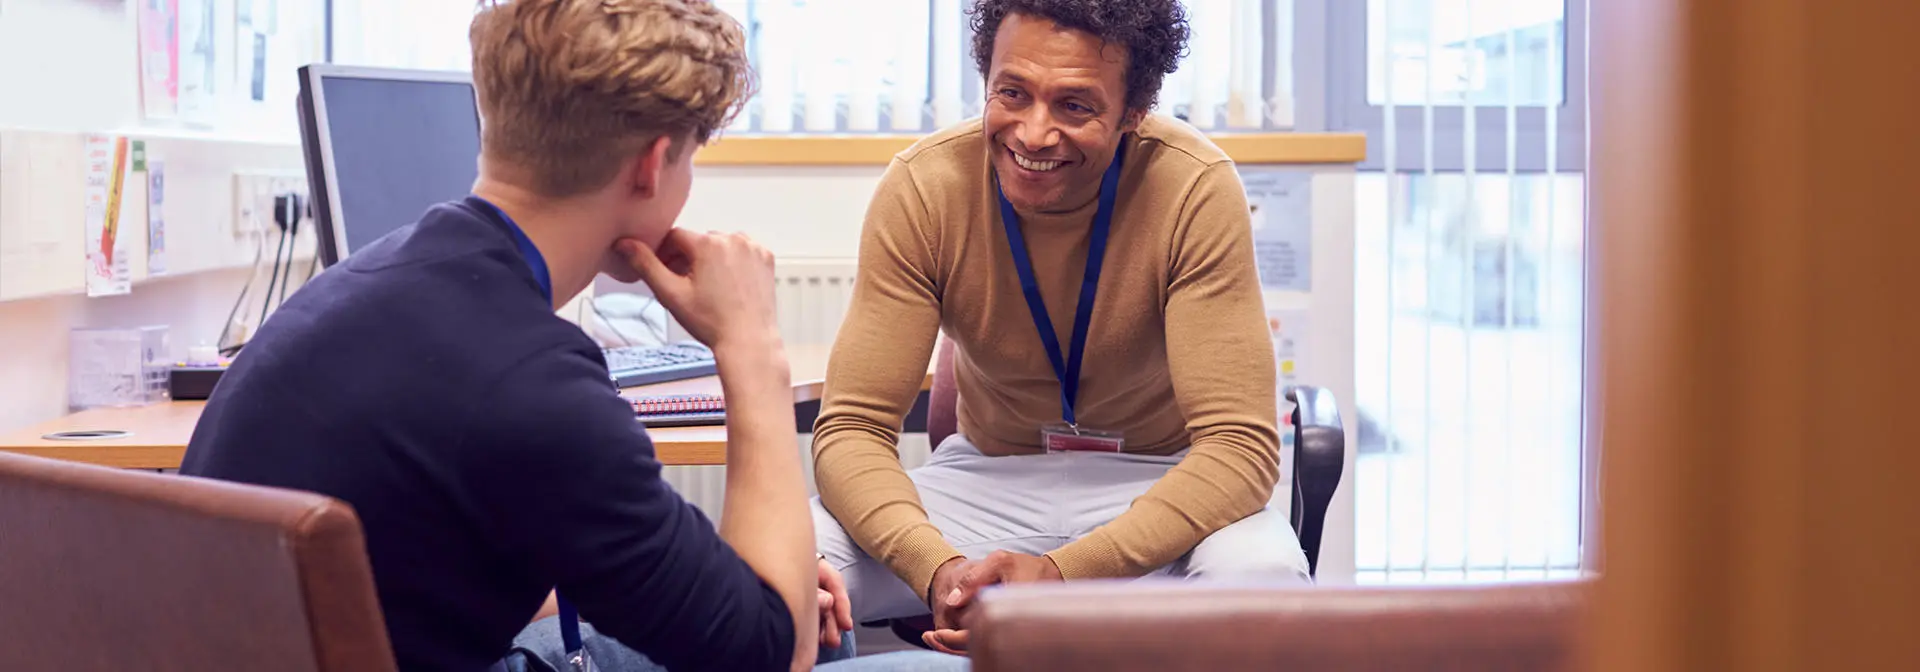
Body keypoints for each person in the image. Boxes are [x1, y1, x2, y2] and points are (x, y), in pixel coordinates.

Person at [180, 1, 964, 670]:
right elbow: (768, 650)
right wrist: (750, 348)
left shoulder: (363, 284)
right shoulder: (533, 385)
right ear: (653, 166)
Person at [810, 0, 1311, 654]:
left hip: (1159, 478)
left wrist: (1060, 574)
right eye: (1011, 93)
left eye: (1074, 106)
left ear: (1134, 112)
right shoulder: (924, 187)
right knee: (787, 572)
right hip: (986, 480)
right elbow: (851, 427)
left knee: (1265, 583)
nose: (1033, 134)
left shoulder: (1193, 188)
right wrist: (935, 566)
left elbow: (1239, 450)